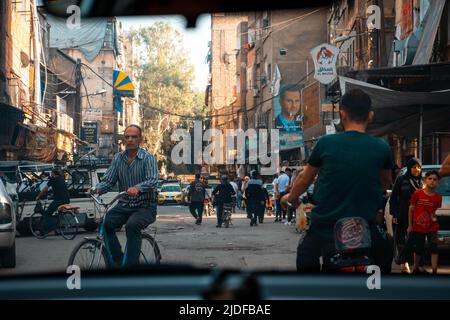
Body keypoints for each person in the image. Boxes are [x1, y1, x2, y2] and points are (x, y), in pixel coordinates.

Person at [281, 89, 394, 272]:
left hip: (325, 228)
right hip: (366, 227)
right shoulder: (382, 147)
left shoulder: (326, 143)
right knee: (385, 254)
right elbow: (386, 182)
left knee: (305, 255)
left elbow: (304, 179)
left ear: (342, 114)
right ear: (370, 115)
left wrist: (291, 197)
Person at [91, 124, 158, 268]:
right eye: (127, 137)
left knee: (132, 225)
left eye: (134, 137)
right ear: (124, 140)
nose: (130, 139)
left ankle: (130, 269)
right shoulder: (118, 158)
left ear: (140, 139)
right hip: (124, 205)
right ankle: (118, 260)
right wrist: (96, 189)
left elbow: (152, 180)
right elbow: (109, 181)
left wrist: (138, 188)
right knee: (106, 223)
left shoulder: (148, 158)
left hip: (145, 207)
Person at [400, 171, 442, 274]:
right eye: (430, 179)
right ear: (425, 180)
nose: (432, 181)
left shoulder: (438, 197)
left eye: (435, 179)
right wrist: (410, 225)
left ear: (438, 183)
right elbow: (411, 209)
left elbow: (435, 212)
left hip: (432, 227)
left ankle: (434, 271)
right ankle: (415, 267)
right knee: (418, 248)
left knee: (434, 248)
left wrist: (434, 218)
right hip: (418, 227)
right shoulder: (418, 193)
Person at [388, 157, 422, 273]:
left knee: (414, 241)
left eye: (418, 167)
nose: (416, 170)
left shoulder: (422, 182)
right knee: (401, 240)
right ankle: (404, 263)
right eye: (414, 167)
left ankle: (414, 264)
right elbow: (393, 199)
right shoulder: (402, 180)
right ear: (409, 168)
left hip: (417, 217)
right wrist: (395, 214)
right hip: (402, 215)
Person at [35, 169, 70, 235]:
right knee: (57, 213)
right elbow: (60, 189)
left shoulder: (52, 179)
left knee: (47, 214)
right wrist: (51, 196)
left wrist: (38, 196)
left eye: (51, 173)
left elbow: (45, 189)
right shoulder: (61, 179)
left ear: (53, 174)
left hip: (58, 200)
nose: (50, 174)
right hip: (67, 199)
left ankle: (51, 228)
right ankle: (57, 224)